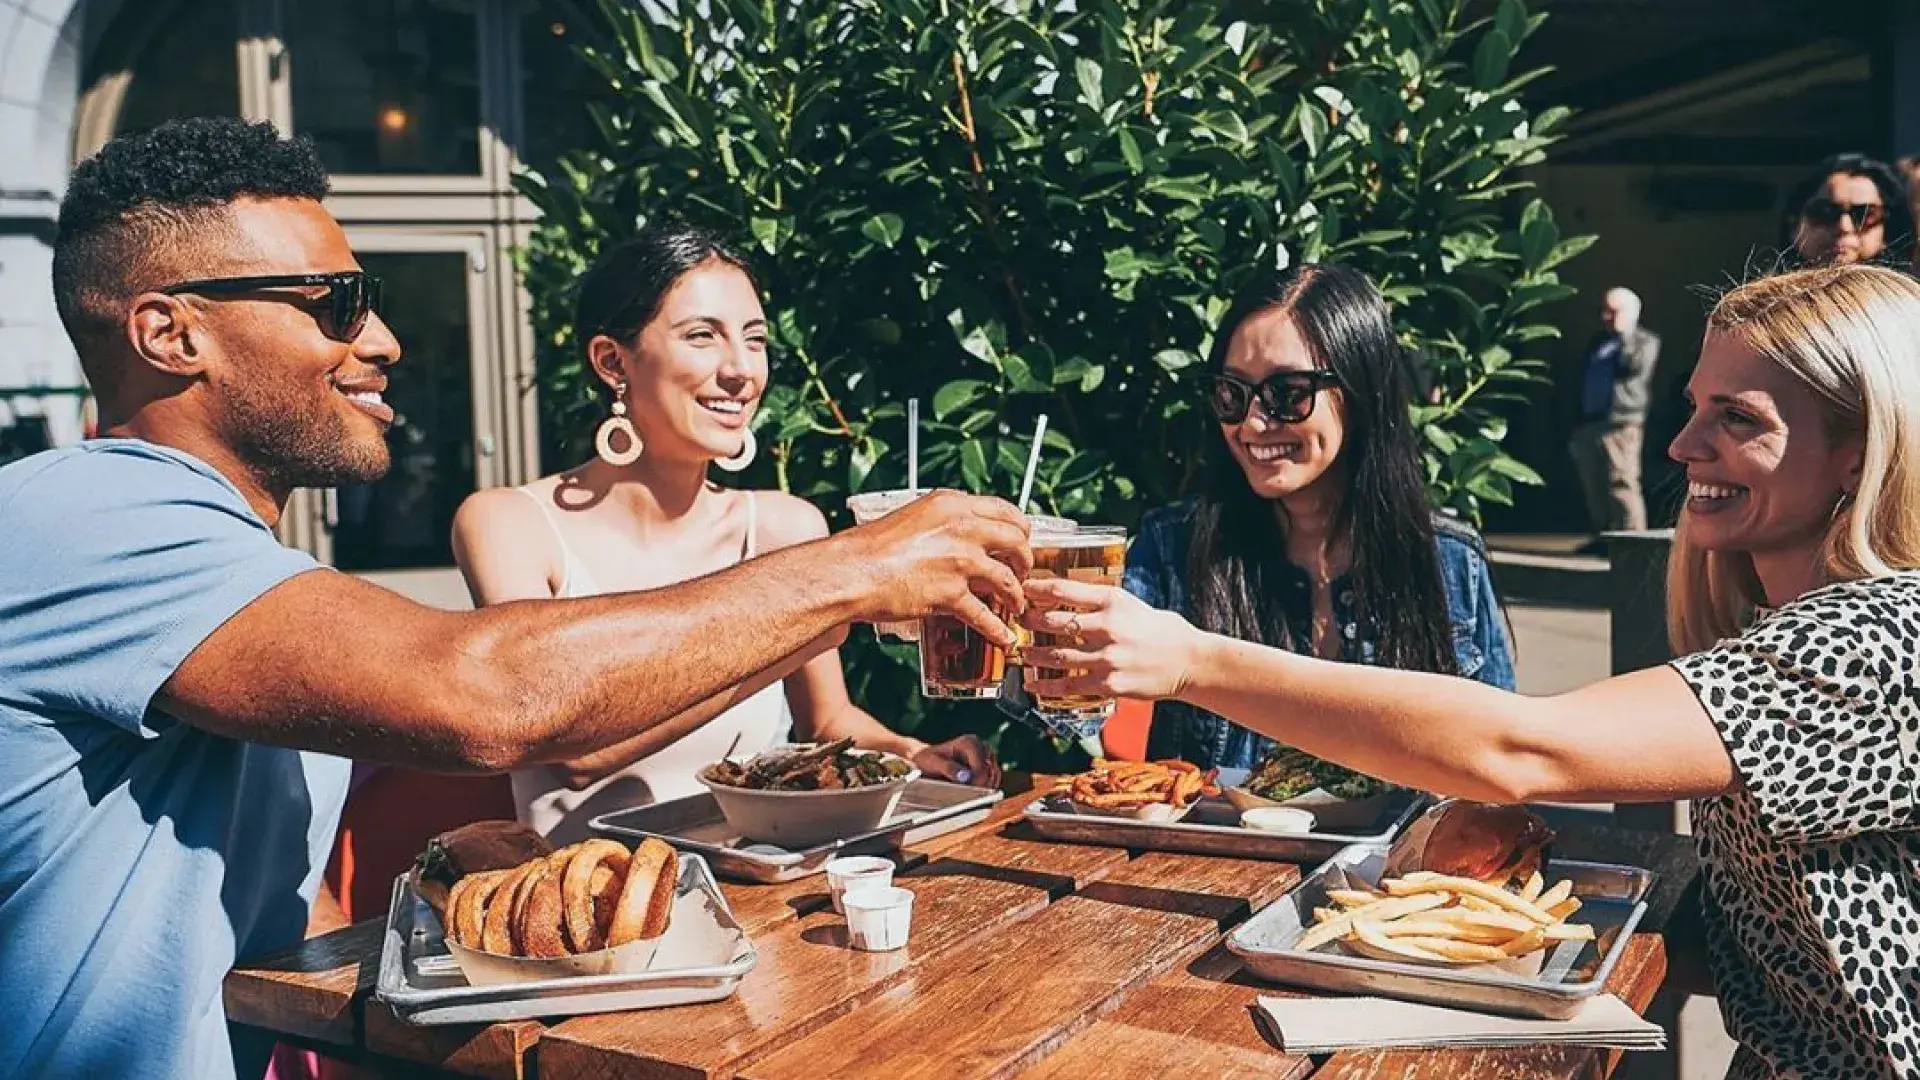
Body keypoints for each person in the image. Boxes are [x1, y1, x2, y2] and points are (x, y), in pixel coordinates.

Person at [0, 118, 1031, 1080]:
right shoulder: (86, 514)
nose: (386, 342)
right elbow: (490, 696)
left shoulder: (230, 563)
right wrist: (856, 569)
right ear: (170, 333)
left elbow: (257, 900)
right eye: (338, 304)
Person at [1022, 262, 1920, 1080]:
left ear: (1860, 448)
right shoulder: (1786, 627)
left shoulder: (1877, 641)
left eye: (1738, 419)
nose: (1681, 447)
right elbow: (1776, 949)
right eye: (1693, 407)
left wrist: (1193, 659)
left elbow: (1523, 750)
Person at [452, 224, 999, 844]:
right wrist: (794, 631)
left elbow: (827, 721)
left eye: (755, 339)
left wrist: (910, 752)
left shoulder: (784, 525)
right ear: (611, 361)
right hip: (599, 912)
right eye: (702, 337)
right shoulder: (512, 524)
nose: (741, 370)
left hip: (767, 889)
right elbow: (571, 747)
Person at [1118, 263, 1514, 771]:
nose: (1254, 422)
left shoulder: (1450, 563)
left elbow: (1500, 766)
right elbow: (1075, 703)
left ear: (1361, 392)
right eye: (1232, 394)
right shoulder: (1174, 548)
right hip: (1219, 851)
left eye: (1289, 394)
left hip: (1404, 851)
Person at [1568, 286, 1661, 544]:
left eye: (1613, 311)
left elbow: (1632, 367)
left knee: (1621, 483)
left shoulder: (1644, 342)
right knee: (1593, 484)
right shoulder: (1598, 342)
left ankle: (1634, 540)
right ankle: (1603, 539)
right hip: (1590, 421)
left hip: (1621, 423)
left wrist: (1625, 334)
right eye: (1604, 311)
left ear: (1631, 313)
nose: (1606, 317)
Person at [1780, 152, 1916, 269]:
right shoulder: (1770, 298)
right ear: (1794, 225)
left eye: (1863, 214)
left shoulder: (1908, 298)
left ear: (1887, 228)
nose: (1844, 227)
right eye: (1826, 212)